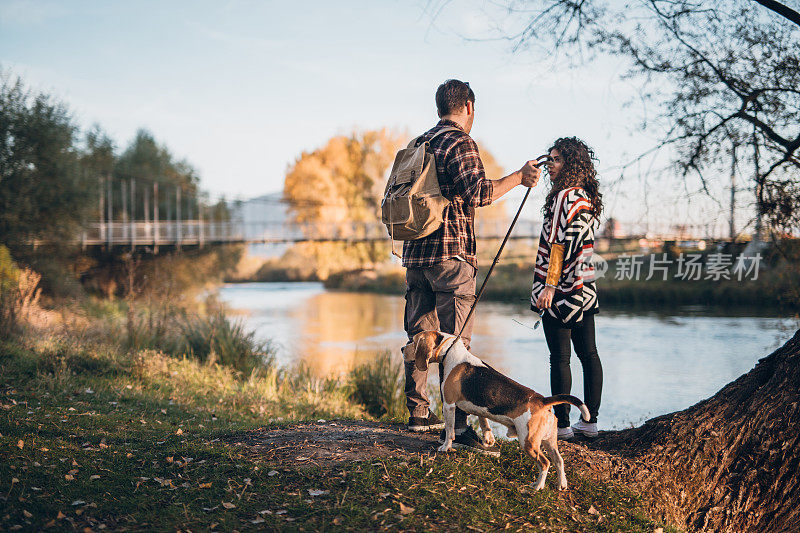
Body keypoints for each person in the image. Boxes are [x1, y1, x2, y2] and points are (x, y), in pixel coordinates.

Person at [403, 79, 541, 454]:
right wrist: (520, 177)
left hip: (415, 258)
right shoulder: (458, 141)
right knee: (456, 345)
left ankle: (418, 413)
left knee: (420, 337)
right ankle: (460, 428)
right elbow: (480, 193)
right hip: (451, 257)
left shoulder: (419, 144)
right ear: (467, 107)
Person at [531, 137, 603, 440]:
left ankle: (561, 426)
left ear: (571, 164)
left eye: (557, 159)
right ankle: (591, 422)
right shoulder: (585, 197)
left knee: (560, 358)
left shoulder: (564, 197)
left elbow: (561, 245)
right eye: (549, 159)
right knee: (589, 355)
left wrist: (549, 286)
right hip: (584, 288)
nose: (550, 165)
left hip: (562, 290)